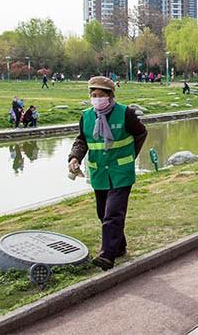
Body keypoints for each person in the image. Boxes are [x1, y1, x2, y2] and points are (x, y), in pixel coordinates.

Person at [67, 76, 148, 270]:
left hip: (121, 172)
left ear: (110, 96)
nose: (96, 99)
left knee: (113, 213)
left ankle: (107, 255)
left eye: (100, 95)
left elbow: (141, 133)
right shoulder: (86, 116)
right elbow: (82, 140)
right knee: (102, 213)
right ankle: (119, 246)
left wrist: (131, 155)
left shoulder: (125, 113)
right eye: (93, 95)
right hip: (99, 173)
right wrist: (74, 157)